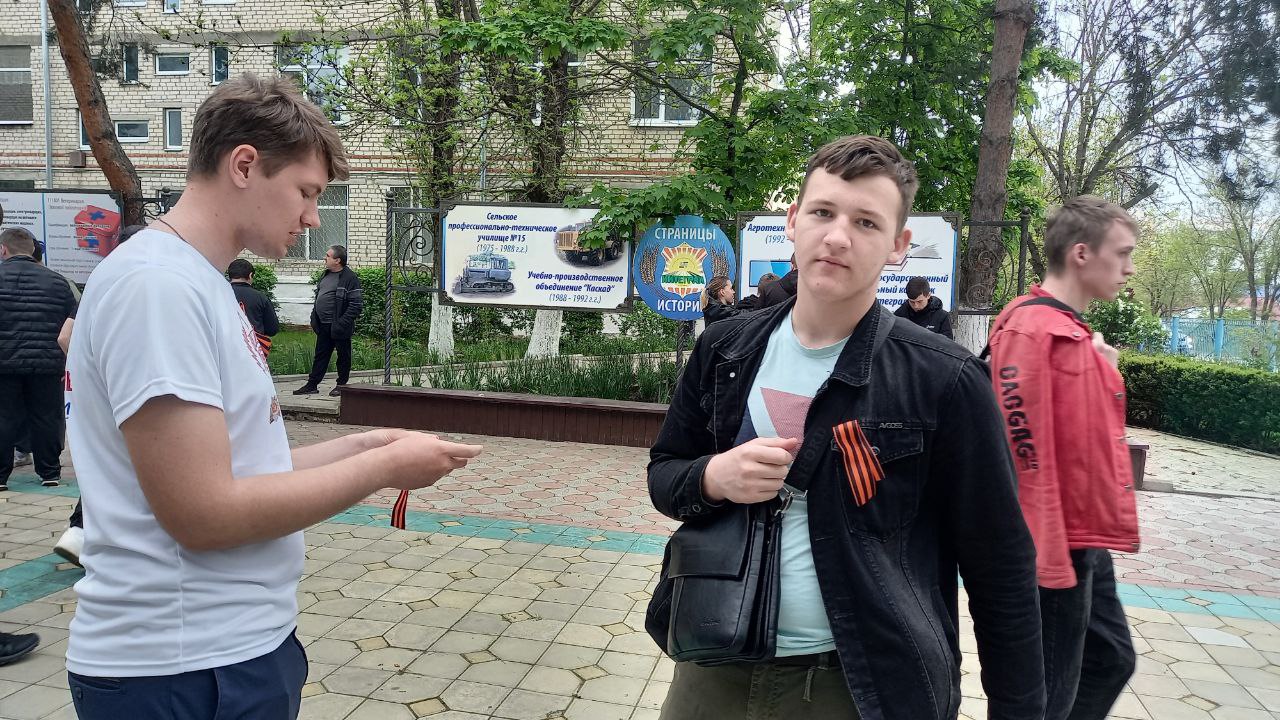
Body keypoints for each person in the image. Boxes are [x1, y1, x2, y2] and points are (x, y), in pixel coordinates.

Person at [63, 73, 482, 719]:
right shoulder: (158, 287)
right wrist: (382, 469)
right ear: (244, 165)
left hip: (221, 652)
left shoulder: (194, 280)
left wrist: (367, 446)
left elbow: (242, 468)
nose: (312, 217)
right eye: (306, 192)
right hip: (181, 666)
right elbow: (205, 514)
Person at [649, 135, 1045, 720]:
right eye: (823, 212)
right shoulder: (724, 349)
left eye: (866, 222)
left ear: (898, 246)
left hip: (862, 688)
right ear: (792, 221)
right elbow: (664, 474)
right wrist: (714, 477)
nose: (837, 236)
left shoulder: (945, 378)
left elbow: (1000, 568)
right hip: (711, 668)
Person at [986, 195, 1140, 720]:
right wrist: (1046, 557)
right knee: (1044, 700)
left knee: (1110, 659)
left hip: (1083, 535)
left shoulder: (1073, 333)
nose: (1129, 268)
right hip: (1051, 545)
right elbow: (1023, 453)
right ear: (1081, 253)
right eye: (1122, 253)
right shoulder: (1031, 331)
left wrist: (1104, 369)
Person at [51, 223, 147, 567]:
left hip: (99, 393)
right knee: (130, 461)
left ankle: (82, 532)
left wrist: (88, 373)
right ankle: (90, 534)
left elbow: (66, 336)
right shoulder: (143, 283)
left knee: (109, 460)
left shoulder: (101, 281)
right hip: (135, 390)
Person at [0, 227, 76, 492]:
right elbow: (70, 323)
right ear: (33, 250)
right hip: (47, 363)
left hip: (4, 363)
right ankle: (50, 472)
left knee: (4, 417)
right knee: (47, 416)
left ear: (3, 249)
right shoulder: (58, 282)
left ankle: (1, 476)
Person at [295, 245, 362, 397]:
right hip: (323, 325)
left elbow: (356, 305)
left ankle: (341, 385)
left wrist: (341, 323)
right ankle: (312, 385)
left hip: (339, 326)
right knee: (321, 355)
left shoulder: (349, 278)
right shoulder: (326, 274)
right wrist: (314, 317)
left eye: (327, 256)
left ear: (337, 260)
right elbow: (319, 297)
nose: (324, 258)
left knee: (343, 357)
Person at [228, 258, 280, 357]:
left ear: (230, 275)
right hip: (254, 350)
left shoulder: (219, 294)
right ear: (250, 275)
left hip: (225, 347)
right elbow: (272, 329)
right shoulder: (260, 297)